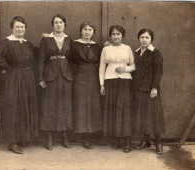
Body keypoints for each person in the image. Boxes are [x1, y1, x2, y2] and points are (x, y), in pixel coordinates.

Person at [0, 16, 39, 154]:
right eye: (17, 27)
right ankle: (12, 142)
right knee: (13, 107)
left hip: (28, 78)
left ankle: (23, 138)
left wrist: (47, 39)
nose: (20, 29)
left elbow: (40, 53)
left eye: (22, 27)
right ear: (12, 28)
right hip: (14, 78)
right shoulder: (6, 42)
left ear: (25, 28)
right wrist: (7, 67)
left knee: (25, 106)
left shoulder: (27, 43)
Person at [38, 14, 73, 150]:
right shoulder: (46, 40)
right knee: (49, 106)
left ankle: (64, 136)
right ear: (53, 25)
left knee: (65, 106)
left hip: (65, 76)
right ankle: (49, 137)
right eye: (56, 23)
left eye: (61, 22)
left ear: (65, 24)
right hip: (50, 76)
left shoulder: (69, 39)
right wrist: (41, 78)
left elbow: (74, 58)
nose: (58, 25)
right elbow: (41, 60)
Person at [99, 25, 135, 153]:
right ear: (110, 35)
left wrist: (125, 69)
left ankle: (127, 140)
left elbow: (133, 65)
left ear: (122, 35)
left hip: (125, 81)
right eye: (113, 34)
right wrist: (102, 84)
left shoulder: (127, 48)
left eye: (118, 34)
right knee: (113, 109)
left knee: (125, 110)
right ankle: (116, 139)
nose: (115, 36)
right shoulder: (106, 49)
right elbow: (102, 66)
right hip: (110, 81)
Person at [132, 28, 165, 155]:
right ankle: (145, 141)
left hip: (150, 89)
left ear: (151, 39)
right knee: (142, 115)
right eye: (142, 37)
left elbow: (158, 72)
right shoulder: (137, 52)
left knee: (154, 116)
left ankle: (158, 143)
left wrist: (155, 87)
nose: (144, 40)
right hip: (138, 88)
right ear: (139, 39)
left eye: (147, 37)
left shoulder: (155, 53)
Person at [70, 21, 102, 149]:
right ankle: (81, 134)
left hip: (93, 78)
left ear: (93, 32)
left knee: (92, 105)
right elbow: (70, 62)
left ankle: (90, 134)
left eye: (90, 30)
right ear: (81, 31)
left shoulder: (97, 47)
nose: (87, 32)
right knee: (81, 105)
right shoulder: (75, 45)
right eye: (85, 29)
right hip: (79, 77)